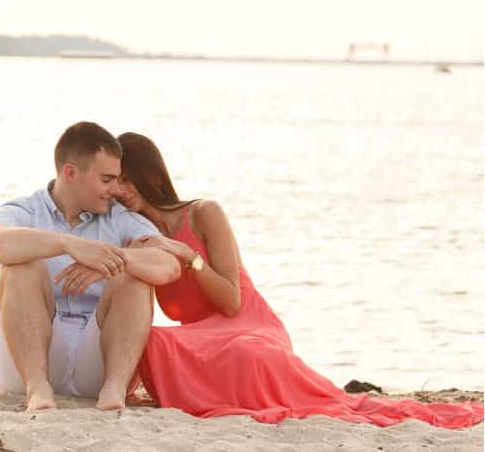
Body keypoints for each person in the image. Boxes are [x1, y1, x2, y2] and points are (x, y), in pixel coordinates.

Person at [115, 131, 484, 428]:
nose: (119, 190)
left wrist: (188, 256)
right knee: (153, 340)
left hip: (246, 326)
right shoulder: (138, 234)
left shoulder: (203, 213)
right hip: (202, 341)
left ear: (152, 175)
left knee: (247, 353)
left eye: (126, 180)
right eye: (114, 182)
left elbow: (232, 301)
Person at [0, 122, 181, 411]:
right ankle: (38, 390)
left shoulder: (119, 218)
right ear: (71, 173)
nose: (116, 189)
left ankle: (113, 391)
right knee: (19, 266)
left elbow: (169, 264)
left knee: (135, 275)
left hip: (98, 358)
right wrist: (68, 244)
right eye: (106, 179)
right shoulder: (24, 210)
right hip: (29, 362)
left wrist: (115, 259)